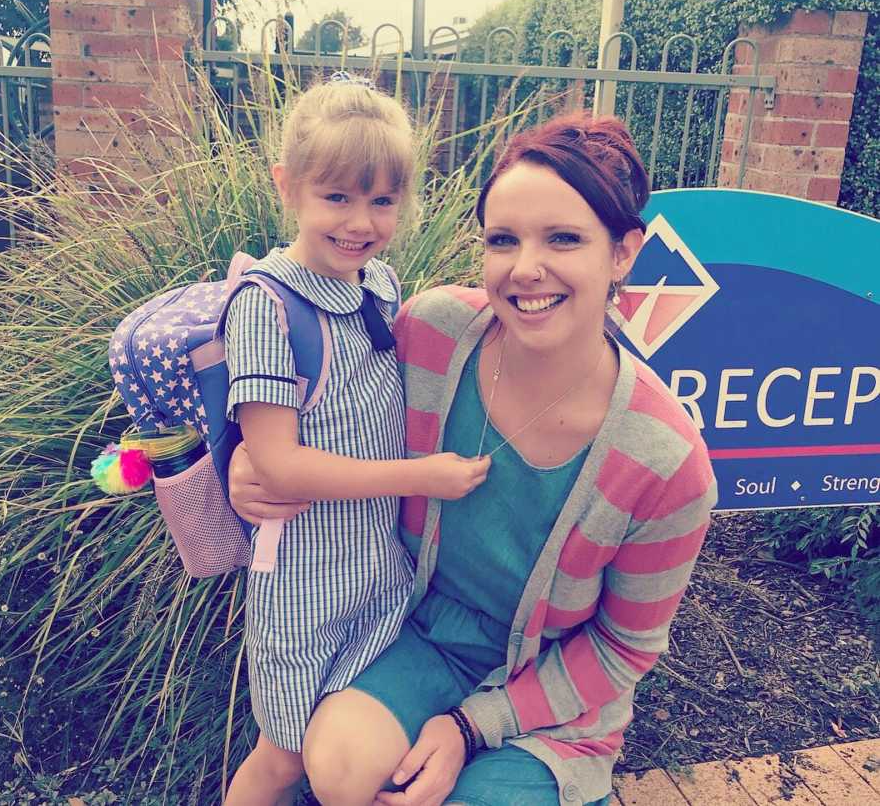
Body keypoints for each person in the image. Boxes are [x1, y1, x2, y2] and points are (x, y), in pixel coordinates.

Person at [229, 111, 717, 806]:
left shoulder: (666, 462)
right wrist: (248, 467)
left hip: (551, 694)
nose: (526, 269)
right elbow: (320, 407)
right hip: (420, 634)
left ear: (622, 253)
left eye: (564, 239)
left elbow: (623, 650)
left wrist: (469, 726)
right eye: (503, 240)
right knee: (335, 766)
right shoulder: (431, 334)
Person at [224, 75, 490, 806]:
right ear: (288, 186)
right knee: (281, 756)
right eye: (337, 196)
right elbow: (276, 460)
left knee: (335, 747)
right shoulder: (267, 306)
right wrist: (418, 477)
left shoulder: (380, 285)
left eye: (382, 200)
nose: (360, 221)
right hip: (303, 583)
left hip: (376, 574)